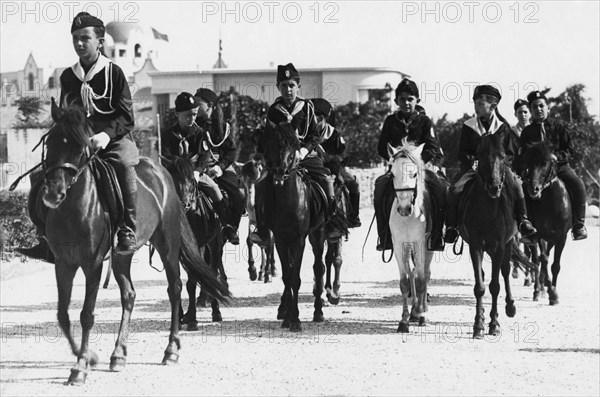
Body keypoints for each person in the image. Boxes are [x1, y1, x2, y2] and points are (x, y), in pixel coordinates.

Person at [18, 12, 138, 261]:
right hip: (79, 142)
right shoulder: (68, 76)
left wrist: (105, 135)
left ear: (100, 42)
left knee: (124, 165)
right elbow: (65, 115)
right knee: (42, 174)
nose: (79, 43)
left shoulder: (114, 73)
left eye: (85, 38)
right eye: (75, 38)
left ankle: (127, 228)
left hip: (113, 139)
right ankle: (45, 236)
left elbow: (128, 118)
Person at [248, 63, 335, 246]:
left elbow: (314, 136)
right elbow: (268, 139)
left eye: (292, 85)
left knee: (326, 180)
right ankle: (262, 229)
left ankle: (332, 222)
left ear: (298, 86)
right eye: (284, 86)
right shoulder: (274, 110)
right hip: (280, 160)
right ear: (279, 88)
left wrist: (303, 151)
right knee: (262, 186)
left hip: (306, 157)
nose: (288, 90)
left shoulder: (307, 107)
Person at [444, 85, 537, 244]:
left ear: (493, 106)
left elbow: (510, 152)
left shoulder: (502, 126)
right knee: (454, 189)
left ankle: (523, 221)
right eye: (475, 103)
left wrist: (500, 163)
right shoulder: (469, 125)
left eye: (480, 104)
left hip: (498, 168)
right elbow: (462, 151)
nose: (476, 107)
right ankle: (452, 226)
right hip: (473, 168)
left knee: (517, 185)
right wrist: (472, 162)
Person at [374, 78, 446, 251]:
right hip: (398, 169)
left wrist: (418, 163)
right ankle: (384, 236)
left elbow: (432, 146)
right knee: (380, 188)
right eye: (402, 99)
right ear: (396, 101)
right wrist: (394, 160)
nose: (406, 103)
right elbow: (381, 146)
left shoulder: (425, 121)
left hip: (420, 168)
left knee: (441, 189)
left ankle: (437, 234)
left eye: (410, 99)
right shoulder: (390, 121)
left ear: (417, 101)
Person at [161, 91, 240, 244]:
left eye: (195, 114)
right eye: (188, 115)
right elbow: (165, 156)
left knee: (215, 189)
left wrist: (197, 172)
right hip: (174, 176)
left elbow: (204, 157)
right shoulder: (168, 134)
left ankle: (227, 225)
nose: (192, 119)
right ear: (178, 114)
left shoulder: (199, 133)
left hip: (195, 173)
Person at [518, 90, 588, 240]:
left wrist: (557, 157)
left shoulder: (559, 127)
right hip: (537, 171)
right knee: (522, 190)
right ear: (531, 111)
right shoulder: (527, 132)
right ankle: (526, 226)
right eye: (535, 107)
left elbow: (570, 150)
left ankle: (578, 224)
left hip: (559, 168)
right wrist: (525, 169)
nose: (539, 109)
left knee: (578, 184)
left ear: (548, 108)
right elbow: (521, 155)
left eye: (542, 106)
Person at [194, 88, 245, 245]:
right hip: (198, 166)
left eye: (198, 103)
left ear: (209, 105)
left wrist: (221, 167)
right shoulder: (193, 124)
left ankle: (231, 227)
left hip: (220, 167)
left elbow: (231, 151)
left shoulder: (223, 127)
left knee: (239, 194)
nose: (195, 107)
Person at [311, 98, 361, 227]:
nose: (316, 121)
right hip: (312, 166)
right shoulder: (306, 133)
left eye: (319, 117)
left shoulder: (334, 134)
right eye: (313, 117)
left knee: (352, 183)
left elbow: (343, 153)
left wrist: (327, 157)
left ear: (325, 119)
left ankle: (352, 216)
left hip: (334, 166)